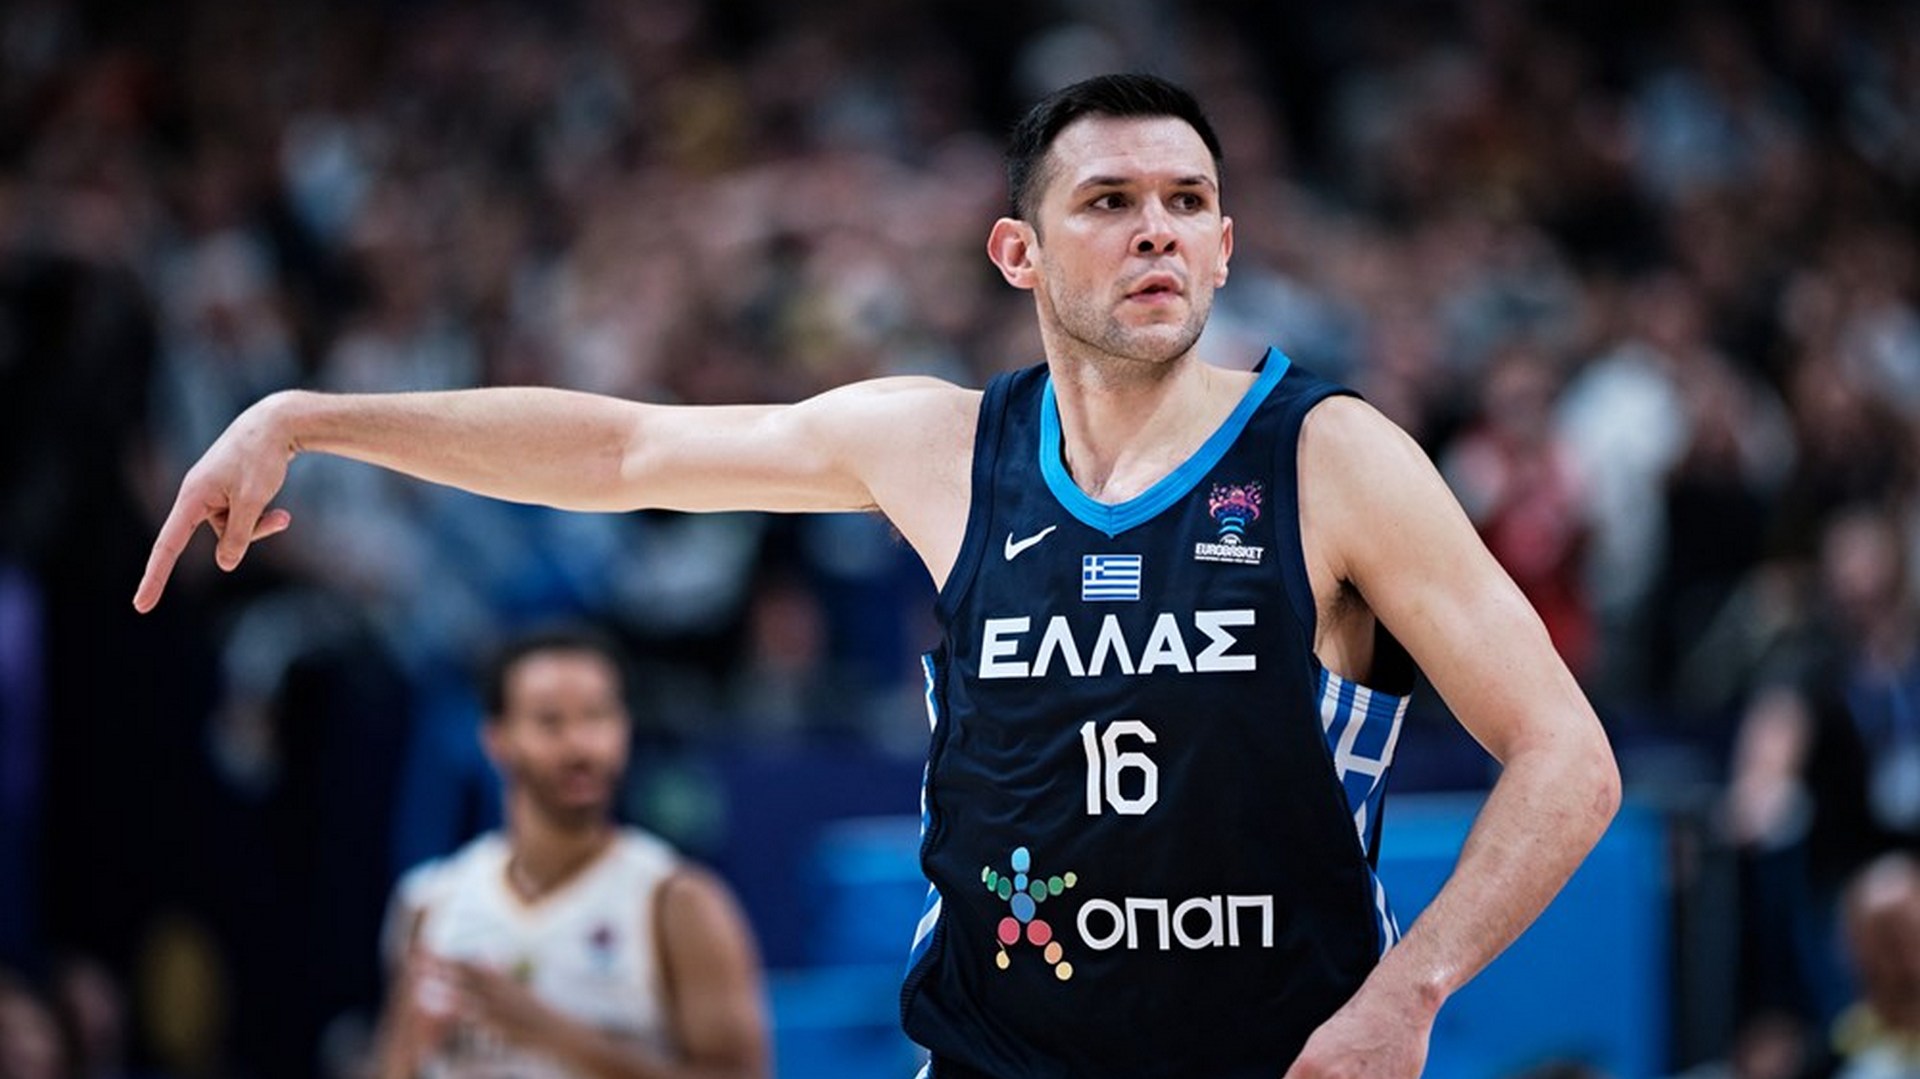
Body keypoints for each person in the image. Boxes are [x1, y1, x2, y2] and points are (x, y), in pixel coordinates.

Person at [136, 73, 1620, 1078]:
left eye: (1185, 201)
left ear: (1227, 246)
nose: (1154, 228)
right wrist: (310, 418)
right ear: (1018, 251)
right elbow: (624, 447)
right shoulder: (941, 446)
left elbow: (1568, 756)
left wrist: (1409, 991)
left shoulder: (1329, 455)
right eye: (1108, 200)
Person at [370, 627, 770, 1078]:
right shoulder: (433, 902)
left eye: (597, 717)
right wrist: (409, 1052)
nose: (580, 745)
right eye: (550, 722)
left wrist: (557, 1038)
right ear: (497, 738)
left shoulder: (676, 901)